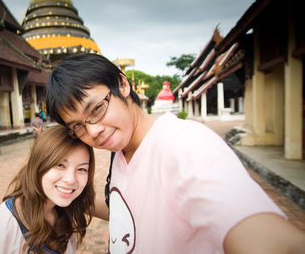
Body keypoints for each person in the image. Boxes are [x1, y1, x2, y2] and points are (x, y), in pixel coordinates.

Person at [45, 53, 305, 253]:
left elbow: (263, 237)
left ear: (122, 85)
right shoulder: (121, 149)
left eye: (96, 110)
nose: (93, 132)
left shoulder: (184, 144)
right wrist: (62, 194)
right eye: (78, 126)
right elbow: (129, 212)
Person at [0, 125, 96, 253]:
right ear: (39, 165)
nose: (70, 180)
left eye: (81, 169)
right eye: (60, 165)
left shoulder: (66, 211)